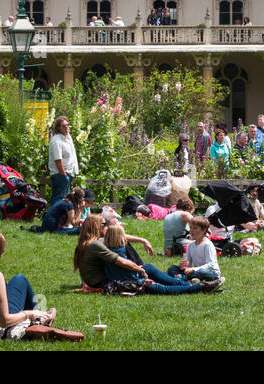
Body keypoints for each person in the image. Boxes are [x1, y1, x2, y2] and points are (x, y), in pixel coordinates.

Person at [74, 214, 213, 294]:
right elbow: (121, 261)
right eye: (104, 224)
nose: (106, 226)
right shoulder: (95, 245)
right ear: (96, 227)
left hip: (112, 276)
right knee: (156, 286)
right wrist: (139, 270)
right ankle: (197, 287)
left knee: (149, 268)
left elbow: (118, 236)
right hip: (110, 281)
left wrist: (142, 240)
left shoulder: (88, 242)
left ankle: (185, 283)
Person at [169, 215, 222, 284]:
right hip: (196, 271)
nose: (191, 230)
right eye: (190, 227)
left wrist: (193, 269)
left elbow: (210, 265)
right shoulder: (190, 245)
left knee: (201, 272)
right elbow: (188, 263)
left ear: (204, 230)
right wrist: (184, 266)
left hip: (211, 273)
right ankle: (189, 280)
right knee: (172, 268)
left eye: (195, 228)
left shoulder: (207, 245)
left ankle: (182, 279)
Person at [47, 116, 78, 204]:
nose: (66, 127)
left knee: (64, 199)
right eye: (64, 126)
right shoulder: (56, 141)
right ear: (58, 128)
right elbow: (58, 160)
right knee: (59, 199)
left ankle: (58, 213)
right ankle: (54, 213)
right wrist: (64, 176)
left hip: (67, 173)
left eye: (67, 125)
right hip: (60, 174)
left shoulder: (67, 137)